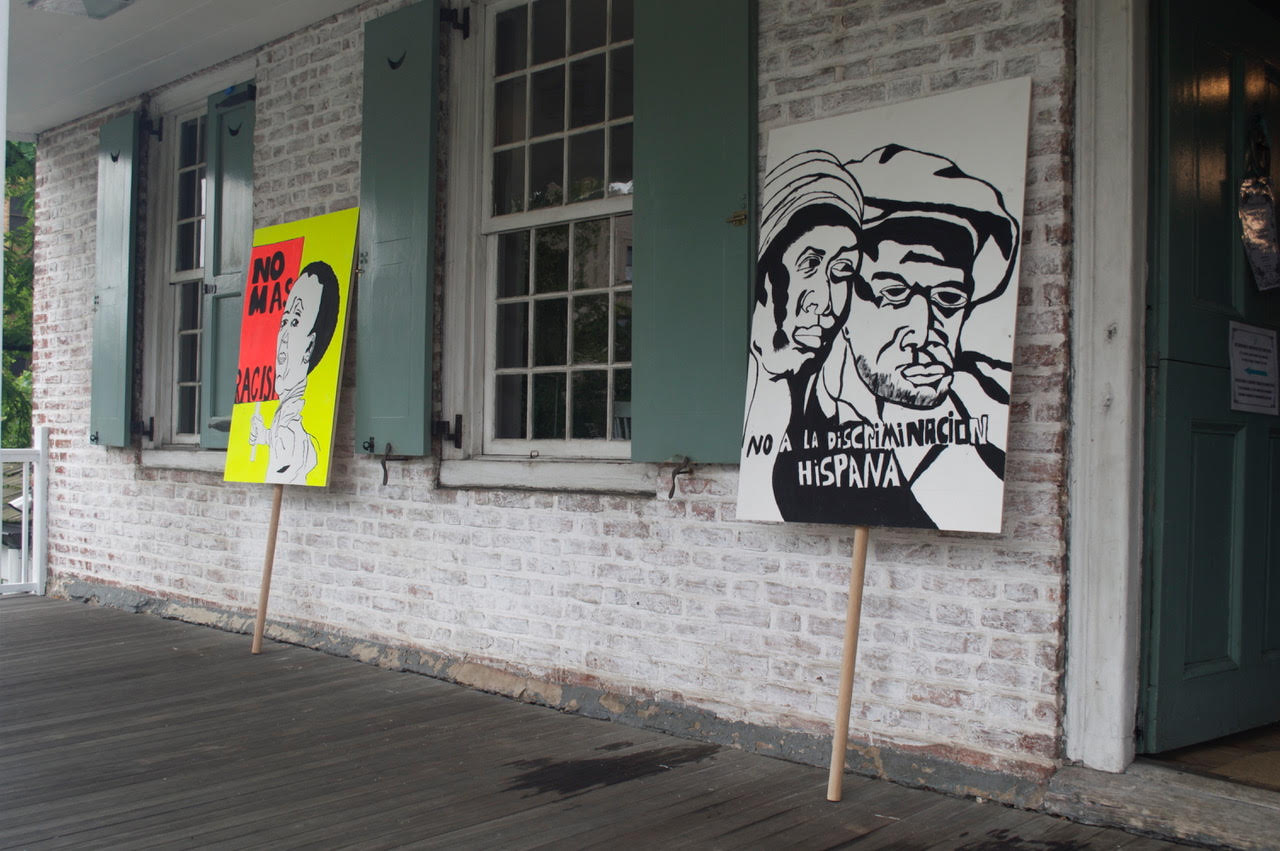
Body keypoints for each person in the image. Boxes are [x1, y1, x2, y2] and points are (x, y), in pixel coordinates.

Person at [774, 144, 1020, 530]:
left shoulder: (990, 406)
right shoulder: (784, 420)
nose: (922, 333)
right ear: (844, 297)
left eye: (948, 298)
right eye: (894, 293)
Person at [738, 151, 863, 521]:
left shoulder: (847, 427)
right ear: (766, 274)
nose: (825, 301)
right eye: (809, 264)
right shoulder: (728, 394)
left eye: (841, 272)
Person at [249, 260, 341, 484]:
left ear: (309, 346)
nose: (284, 336)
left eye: (296, 321)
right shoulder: (286, 420)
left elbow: (290, 443)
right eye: (285, 321)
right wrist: (264, 435)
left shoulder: (293, 437)